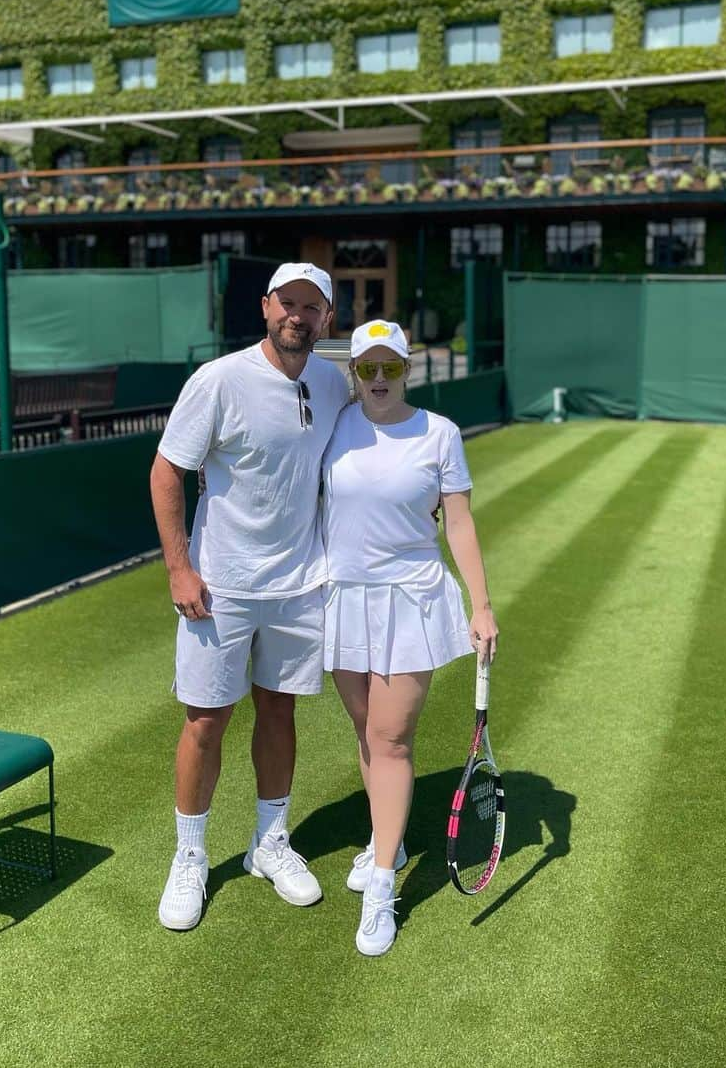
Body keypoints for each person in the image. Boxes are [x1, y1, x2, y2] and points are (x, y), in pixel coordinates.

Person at [150, 262, 349, 931]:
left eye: (311, 306)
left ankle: (270, 843)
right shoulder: (219, 379)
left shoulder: (334, 381)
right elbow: (167, 472)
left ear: (327, 317)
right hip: (221, 586)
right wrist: (180, 568)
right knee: (206, 723)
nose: (298, 315)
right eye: (287, 302)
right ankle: (190, 856)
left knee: (279, 712)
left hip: (300, 585)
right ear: (266, 306)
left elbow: (359, 461)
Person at [321, 319, 499, 956]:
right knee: (365, 730)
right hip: (341, 597)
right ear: (354, 372)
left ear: (407, 368)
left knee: (390, 738)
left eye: (388, 368)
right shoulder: (334, 424)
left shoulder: (440, 434)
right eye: (365, 368)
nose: (375, 380)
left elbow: (460, 526)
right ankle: (383, 842)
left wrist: (481, 605)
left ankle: (379, 888)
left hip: (410, 601)